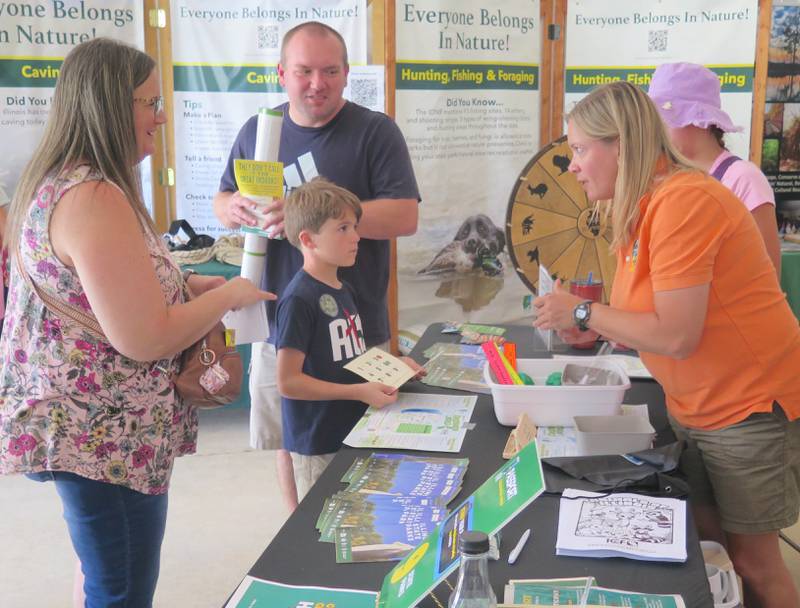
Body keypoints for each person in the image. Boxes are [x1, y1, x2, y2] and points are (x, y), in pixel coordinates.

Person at [0, 38, 273, 608]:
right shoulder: (95, 196)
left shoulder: (61, 181)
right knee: (119, 584)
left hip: (85, 429)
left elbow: (104, 293)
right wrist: (229, 297)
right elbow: (144, 337)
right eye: (149, 102)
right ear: (108, 105)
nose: (162, 116)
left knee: (100, 567)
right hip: (105, 437)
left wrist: (185, 287)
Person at [533, 81, 800, 608]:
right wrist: (594, 325)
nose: (572, 166)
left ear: (624, 146)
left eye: (581, 149)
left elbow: (677, 335)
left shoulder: (684, 201)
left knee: (753, 562)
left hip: (744, 406)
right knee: (711, 552)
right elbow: (650, 317)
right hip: (696, 404)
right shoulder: (646, 206)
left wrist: (584, 310)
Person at [213, 21, 420, 511]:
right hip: (278, 317)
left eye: (329, 71)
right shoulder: (259, 132)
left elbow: (406, 215)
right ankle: (295, 535)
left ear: (347, 74)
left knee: (366, 439)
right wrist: (233, 208)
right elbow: (223, 197)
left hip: (357, 321)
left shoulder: (375, 132)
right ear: (282, 73)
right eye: (304, 71)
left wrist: (320, 217)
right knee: (291, 440)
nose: (317, 83)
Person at [275, 177, 423, 499]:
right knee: (318, 534)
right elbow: (288, 382)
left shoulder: (345, 290)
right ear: (308, 239)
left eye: (355, 227)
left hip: (351, 432)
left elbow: (351, 356)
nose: (356, 237)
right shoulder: (299, 299)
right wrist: (358, 391)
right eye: (342, 229)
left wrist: (394, 366)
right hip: (318, 443)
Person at [648, 62, 782, 275]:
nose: (656, 130)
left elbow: (768, 272)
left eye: (665, 119)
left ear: (700, 121)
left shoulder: (744, 178)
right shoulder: (663, 177)